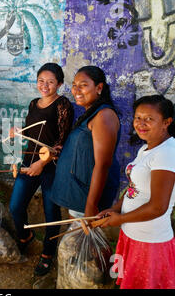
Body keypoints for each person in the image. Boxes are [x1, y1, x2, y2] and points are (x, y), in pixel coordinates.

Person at [98, 95, 175, 289]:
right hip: (132, 234)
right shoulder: (148, 147)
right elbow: (134, 188)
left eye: (149, 118)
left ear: (166, 122)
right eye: (138, 117)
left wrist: (119, 219)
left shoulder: (167, 154)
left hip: (149, 241)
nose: (141, 123)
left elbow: (158, 207)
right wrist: (114, 209)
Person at [8, 63, 74, 276]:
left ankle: (47, 253)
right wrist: (18, 131)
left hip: (52, 166)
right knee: (16, 206)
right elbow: (34, 134)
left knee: (51, 212)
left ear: (60, 84)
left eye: (51, 82)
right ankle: (25, 236)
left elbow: (62, 142)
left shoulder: (63, 105)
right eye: (41, 81)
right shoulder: (33, 104)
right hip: (29, 160)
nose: (44, 85)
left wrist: (42, 163)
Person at [48, 66, 121, 216]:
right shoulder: (92, 113)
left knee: (79, 239)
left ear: (99, 88)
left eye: (83, 85)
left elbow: (103, 164)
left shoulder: (104, 116)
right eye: (74, 85)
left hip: (87, 199)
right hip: (79, 195)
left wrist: (91, 205)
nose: (76, 90)